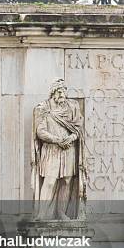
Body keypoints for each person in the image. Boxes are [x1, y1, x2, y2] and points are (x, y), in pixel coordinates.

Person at [32, 78, 85, 220]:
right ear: (53, 93)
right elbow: (40, 131)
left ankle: (61, 212)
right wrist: (57, 140)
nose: (62, 94)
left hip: (68, 150)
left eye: (64, 91)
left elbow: (79, 128)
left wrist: (72, 138)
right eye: (59, 91)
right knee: (50, 181)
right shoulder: (44, 108)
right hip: (51, 150)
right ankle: (42, 213)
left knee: (67, 181)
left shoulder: (73, 107)